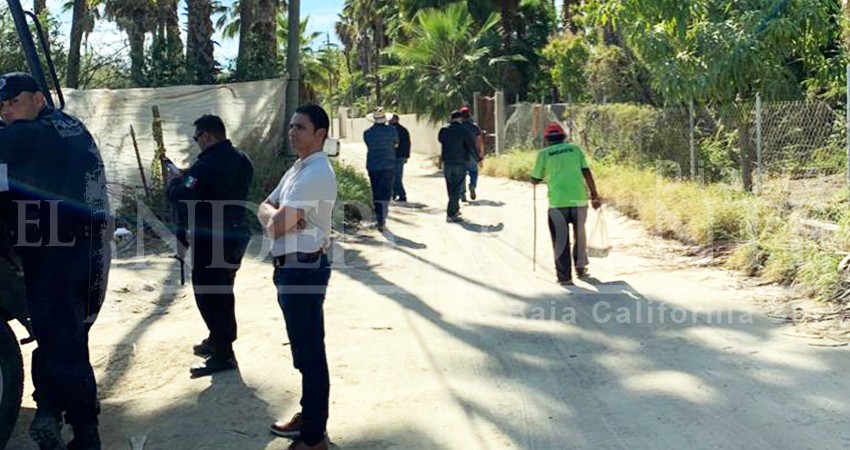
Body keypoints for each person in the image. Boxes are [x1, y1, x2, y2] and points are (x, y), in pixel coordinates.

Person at [0, 72, 111, 450]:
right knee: (66, 338)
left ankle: (85, 435)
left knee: (64, 344)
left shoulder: (27, 134)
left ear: (38, 99)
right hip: (89, 250)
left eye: (13, 102)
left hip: (55, 253)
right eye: (2, 105)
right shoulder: (72, 127)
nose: (7, 111)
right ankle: (51, 410)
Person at [258, 104, 337, 450]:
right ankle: (309, 416)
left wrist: (277, 218)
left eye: (300, 128)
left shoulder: (316, 172)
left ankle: (314, 436)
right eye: (291, 126)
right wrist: (279, 215)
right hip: (290, 268)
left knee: (310, 352)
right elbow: (264, 207)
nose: (292, 132)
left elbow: (273, 226)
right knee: (304, 351)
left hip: (303, 269)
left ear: (320, 134)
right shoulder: (297, 168)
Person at [167, 114, 254, 378]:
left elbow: (182, 195)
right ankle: (218, 340)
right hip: (236, 233)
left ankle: (223, 352)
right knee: (223, 291)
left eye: (197, 138)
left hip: (213, 239)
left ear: (207, 135)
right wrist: (187, 177)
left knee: (210, 294)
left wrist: (174, 181)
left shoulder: (207, 165)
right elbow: (210, 187)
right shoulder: (241, 158)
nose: (196, 143)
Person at [530, 122, 601, 286]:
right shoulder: (575, 150)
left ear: (547, 139)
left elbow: (536, 178)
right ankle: (581, 267)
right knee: (580, 234)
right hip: (579, 199)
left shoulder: (544, 154)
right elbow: (586, 172)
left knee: (561, 238)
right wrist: (594, 195)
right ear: (563, 137)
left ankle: (565, 277)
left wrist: (534, 179)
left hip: (558, 202)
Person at [438, 110, 478, 222]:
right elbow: (471, 146)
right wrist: (477, 158)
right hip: (460, 162)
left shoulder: (444, 130)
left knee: (450, 187)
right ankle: (451, 214)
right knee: (457, 187)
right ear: (460, 118)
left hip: (447, 162)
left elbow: (440, 140)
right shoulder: (463, 130)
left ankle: (454, 209)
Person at [363, 107, 398, 231]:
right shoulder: (392, 131)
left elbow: (368, 145)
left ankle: (380, 218)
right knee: (386, 192)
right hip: (389, 165)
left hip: (373, 165)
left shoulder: (367, 133)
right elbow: (396, 144)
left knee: (376, 192)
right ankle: (383, 216)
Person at [458, 105, 485, 202]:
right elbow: (479, 140)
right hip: (472, 154)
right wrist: (481, 152)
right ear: (469, 115)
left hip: (460, 155)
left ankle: (462, 194)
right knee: (474, 172)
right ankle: (472, 185)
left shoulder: (458, 127)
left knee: (461, 175)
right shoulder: (474, 126)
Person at [389, 114, 410, 202]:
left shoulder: (392, 130)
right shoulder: (403, 130)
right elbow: (408, 143)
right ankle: (394, 193)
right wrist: (406, 156)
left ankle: (401, 194)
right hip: (400, 156)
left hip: (395, 155)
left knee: (395, 176)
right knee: (397, 175)